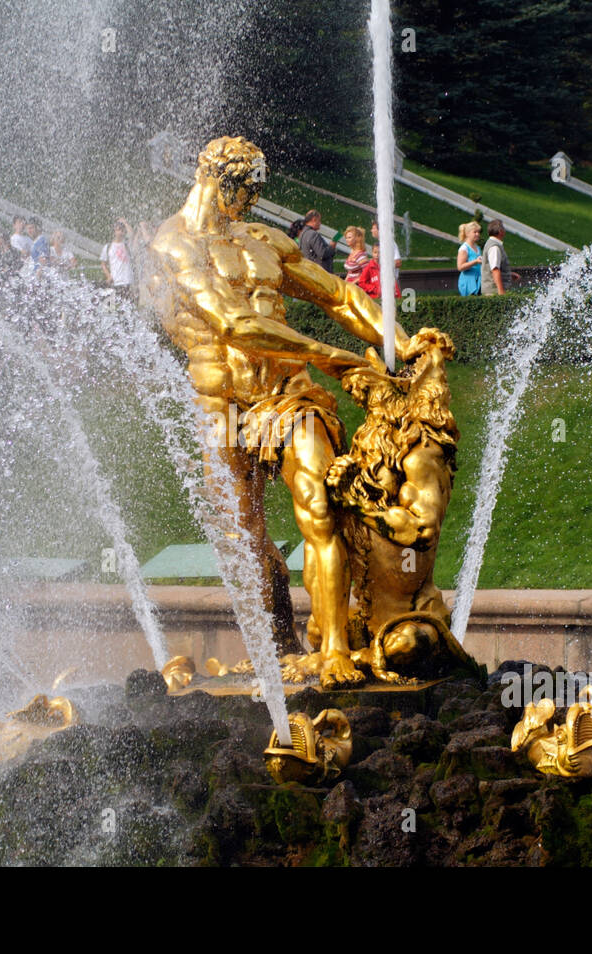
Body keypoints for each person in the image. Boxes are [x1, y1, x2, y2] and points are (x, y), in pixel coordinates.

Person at [145, 135, 411, 686]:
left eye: (255, 193)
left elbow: (338, 296)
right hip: (221, 406)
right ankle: (279, 645)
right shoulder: (173, 245)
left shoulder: (261, 240)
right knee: (246, 538)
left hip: (288, 393)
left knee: (319, 502)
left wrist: (400, 344)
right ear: (215, 181)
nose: (249, 203)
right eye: (243, 191)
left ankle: (335, 645)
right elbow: (235, 324)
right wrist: (336, 358)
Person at [480, 219, 519, 295]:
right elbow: (495, 270)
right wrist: (501, 292)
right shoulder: (494, 247)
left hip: (492, 290)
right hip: (493, 292)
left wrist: (508, 274)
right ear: (500, 231)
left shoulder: (491, 244)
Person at [101, 219, 135, 298]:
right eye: (118, 230)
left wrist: (125, 222)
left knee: (129, 306)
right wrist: (108, 276)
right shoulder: (108, 247)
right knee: (114, 307)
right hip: (116, 281)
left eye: (122, 230)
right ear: (114, 232)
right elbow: (103, 264)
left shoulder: (127, 245)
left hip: (128, 280)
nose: (120, 232)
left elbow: (132, 234)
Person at [456, 221, 482, 296]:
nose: (477, 234)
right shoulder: (464, 248)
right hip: (468, 283)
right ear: (467, 233)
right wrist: (475, 261)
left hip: (478, 281)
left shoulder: (477, 248)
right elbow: (460, 267)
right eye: (475, 232)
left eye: (478, 232)